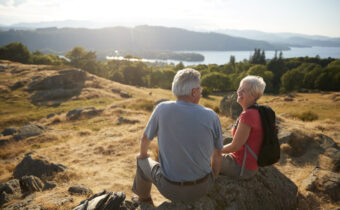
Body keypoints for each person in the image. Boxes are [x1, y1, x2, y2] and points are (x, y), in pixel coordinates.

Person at [132, 68, 223, 205]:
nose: (201, 92)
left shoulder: (162, 109)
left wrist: (143, 155)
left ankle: (144, 200)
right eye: (200, 90)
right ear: (194, 92)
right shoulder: (211, 115)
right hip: (203, 187)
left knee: (142, 162)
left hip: (170, 189)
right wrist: (213, 177)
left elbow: (145, 139)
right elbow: (218, 154)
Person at [220, 75, 266, 179]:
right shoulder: (256, 111)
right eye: (240, 88)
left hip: (242, 167)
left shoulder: (248, 115)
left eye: (244, 90)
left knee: (200, 157)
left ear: (254, 95)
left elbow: (235, 146)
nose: (239, 92)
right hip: (244, 162)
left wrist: (214, 151)